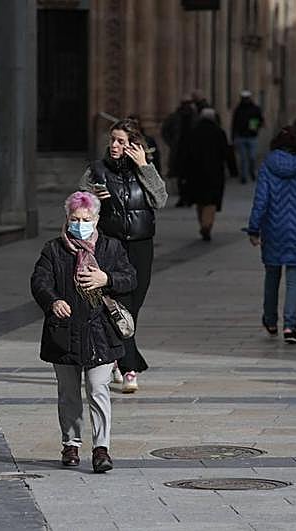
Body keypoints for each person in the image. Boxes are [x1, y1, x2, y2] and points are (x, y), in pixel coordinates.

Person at [30, 191, 137, 473]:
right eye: (75, 219)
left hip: (100, 331)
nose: (80, 224)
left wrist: (107, 278)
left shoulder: (111, 248)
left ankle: (101, 448)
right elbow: (39, 281)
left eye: (86, 219)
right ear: (67, 219)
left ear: (97, 219)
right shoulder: (53, 250)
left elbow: (130, 278)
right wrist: (53, 301)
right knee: (68, 393)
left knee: (98, 388)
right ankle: (71, 444)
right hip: (63, 332)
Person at [79, 118, 168, 393]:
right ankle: (130, 367)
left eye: (121, 141)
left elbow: (160, 200)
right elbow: (78, 205)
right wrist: (93, 198)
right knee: (120, 304)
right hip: (112, 245)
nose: (115, 145)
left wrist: (144, 166)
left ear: (133, 145)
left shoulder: (144, 170)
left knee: (134, 304)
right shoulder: (96, 171)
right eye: (112, 140)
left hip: (141, 245)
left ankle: (118, 358)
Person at [246, 126, 296, 344]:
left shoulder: (267, 166)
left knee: (272, 275)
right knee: (294, 279)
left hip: (273, 228)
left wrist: (254, 229)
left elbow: (260, 201)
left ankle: (270, 321)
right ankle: (290, 327)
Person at [181, 107, 238, 241]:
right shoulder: (219, 132)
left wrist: (183, 172)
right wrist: (233, 170)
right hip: (215, 173)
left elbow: (185, 154)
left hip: (195, 173)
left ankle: (203, 223)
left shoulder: (193, 133)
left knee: (200, 201)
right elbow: (227, 153)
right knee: (211, 201)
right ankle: (207, 225)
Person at [161, 97, 197, 206]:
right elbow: (165, 130)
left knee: (190, 176)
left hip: (191, 151)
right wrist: (171, 142)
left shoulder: (195, 117)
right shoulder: (175, 117)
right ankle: (182, 197)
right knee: (180, 177)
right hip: (179, 151)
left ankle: (189, 197)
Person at [231, 89, 264, 184]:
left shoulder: (255, 109)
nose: (245, 100)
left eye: (246, 98)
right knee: (243, 158)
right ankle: (244, 176)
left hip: (252, 136)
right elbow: (234, 123)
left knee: (252, 157)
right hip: (241, 136)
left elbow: (260, 120)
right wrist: (233, 136)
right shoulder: (238, 109)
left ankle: (252, 171)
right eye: (243, 98)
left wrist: (256, 126)